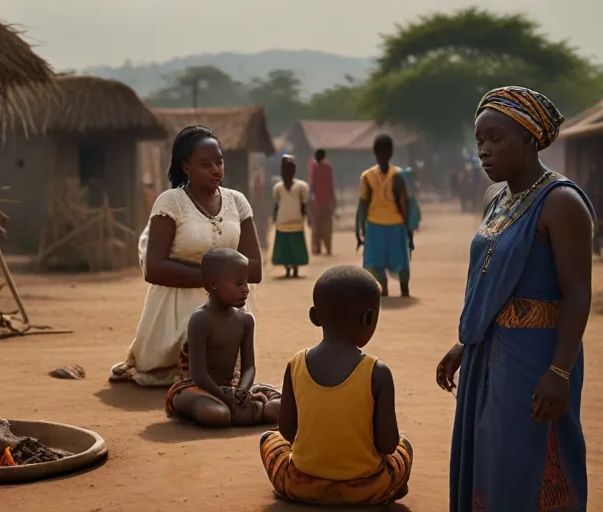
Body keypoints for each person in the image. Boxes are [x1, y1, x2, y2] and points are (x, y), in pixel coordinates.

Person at [436, 86, 594, 511]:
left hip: (535, 357)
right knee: (489, 455)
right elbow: (491, 282)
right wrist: (465, 344)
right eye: (479, 142)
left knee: (530, 459)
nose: (484, 151)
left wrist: (559, 370)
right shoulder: (497, 198)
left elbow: (579, 294)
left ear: (529, 138)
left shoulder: (561, 203)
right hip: (488, 352)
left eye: (495, 139)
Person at [110, 126, 262, 387]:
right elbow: (154, 268)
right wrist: (218, 281)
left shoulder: (237, 202)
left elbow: (256, 268)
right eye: (206, 164)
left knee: (225, 376)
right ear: (186, 167)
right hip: (174, 308)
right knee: (177, 371)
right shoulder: (171, 202)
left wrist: (219, 287)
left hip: (226, 308)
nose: (216, 169)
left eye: (219, 161)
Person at [259, 265, 412, 505]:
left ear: (314, 316)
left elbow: (287, 432)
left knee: (269, 439)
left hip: (301, 485)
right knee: (405, 447)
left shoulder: (295, 364)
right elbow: (388, 444)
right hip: (365, 489)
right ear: (369, 318)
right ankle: (392, 487)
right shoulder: (377, 372)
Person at [165, 248, 281, 427]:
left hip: (232, 387)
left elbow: (249, 366)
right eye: (239, 284)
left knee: (276, 407)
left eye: (246, 283)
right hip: (200, 389)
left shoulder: (245, 320)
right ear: (214, 286)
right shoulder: (200, 320)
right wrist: (224, 395)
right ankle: (244, 410)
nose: (246, 290)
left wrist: (242, 389)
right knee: (216, 415)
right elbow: (199, 375)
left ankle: (253, 407)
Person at [355, 135, 413, 297]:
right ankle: (383, 288)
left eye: (385, 152)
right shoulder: (367, 176)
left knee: (401, 261)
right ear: (375, 153)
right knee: (375, 262)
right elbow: (363, 204)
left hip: (396, 224)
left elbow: (405, 203)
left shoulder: (399, 175)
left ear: (391, 153)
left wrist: (409, 227)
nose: (382, 156)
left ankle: (404, 289)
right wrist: (359, 228)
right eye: (379, 152)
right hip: (374, 224)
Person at [271, 155, 309, 278]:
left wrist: (305, 217)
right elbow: (277, 204)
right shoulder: (278, 187)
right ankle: (289, 269)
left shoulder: (301, 186)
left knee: (290, 247)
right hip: (284, 221)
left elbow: (303, 205)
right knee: (287, 248)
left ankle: (293, 269)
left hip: (293, 221)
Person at [308, 148, 336, 255]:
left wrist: (309, 200)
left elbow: (312, 184)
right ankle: (327, 248)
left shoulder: (313, 167)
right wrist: (333, 200)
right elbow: (331, 185)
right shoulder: (327, 167)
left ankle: (317, 248)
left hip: (317, 202)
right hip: (325, 202)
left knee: (317, 226)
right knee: (326, 226)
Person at [397, 166, 422, 231]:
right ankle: (413, 226)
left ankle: (411, 226)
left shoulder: (404, 180)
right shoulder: (412, 182)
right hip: (410, 198)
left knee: (411, 212)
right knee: (413, 212)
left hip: (409, 199)